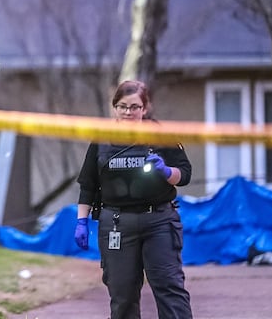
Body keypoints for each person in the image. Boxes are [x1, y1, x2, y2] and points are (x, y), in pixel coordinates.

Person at [74, 80, 193, 319]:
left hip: (159, 221)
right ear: (114, 107)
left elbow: (185, 175)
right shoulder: (102, 139)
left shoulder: (161, 135)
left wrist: (166, 171)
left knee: (169, 288)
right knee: (122, 294)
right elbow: (88, 184)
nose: (128, 112)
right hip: (116, 224)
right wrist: (81, 222)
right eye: (122, 106)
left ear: (145, 108)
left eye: (135, 107)